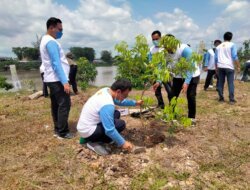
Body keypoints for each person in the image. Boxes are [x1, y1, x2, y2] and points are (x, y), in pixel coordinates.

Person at [77, 79, 143, 155]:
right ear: (118, 91)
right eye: (125, 96)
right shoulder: (107, 104)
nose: (125, 98)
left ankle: (90, 137)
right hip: (88, 131)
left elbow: (118, 101)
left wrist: (135, 103)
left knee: (116, 113)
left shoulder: (106, 90)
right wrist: (123, 143)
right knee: (120, 124)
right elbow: (110, 130)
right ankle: (93, 142)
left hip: (84, 126)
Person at [40, 17, 73, 139]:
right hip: (57, 79)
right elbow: (56, 63)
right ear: (51, 28)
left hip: (51, 78)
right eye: (59, 29)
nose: (61, 32)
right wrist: (64, 81)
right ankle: (63, 132)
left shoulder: (45, 40)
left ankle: (57, 129)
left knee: (56, 104)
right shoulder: (51, 42)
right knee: (64, 104)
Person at [153, 34, 200, 120]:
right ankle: (171, 115)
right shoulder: (164, 52)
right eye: (164, 46)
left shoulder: (185, 50)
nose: (166, 48)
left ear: (173, 43)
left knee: (190, 95)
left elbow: (190, 67)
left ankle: (191, 118)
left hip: (192, 74)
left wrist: (186, 82)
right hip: (178, 75)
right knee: (172, 95)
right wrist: (159, 81)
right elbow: (162, 66)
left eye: (167, 46)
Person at [148, 30, 173, 108]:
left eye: (156, 39)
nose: (155, 41)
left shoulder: (165, 48)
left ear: (160, 38)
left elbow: (166, 62)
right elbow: (150, 60)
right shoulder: (151, 49)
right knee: (157, 90)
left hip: (165, 72)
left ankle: (172, 106)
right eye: (153, 39)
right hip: (155, 72)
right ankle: (161, 104)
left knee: (169, 90)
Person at [215, 32, 240, 104]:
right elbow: (234, 56)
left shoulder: (218, 47)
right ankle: (231, 99)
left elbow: (216, 59)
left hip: (220, 66)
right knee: (230, 83)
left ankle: (221, 98)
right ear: (231, 38)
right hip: (229, 66)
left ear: (224, 37)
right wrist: (238, 66)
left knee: (220, 82)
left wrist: (216, 68)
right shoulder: (232, 45)